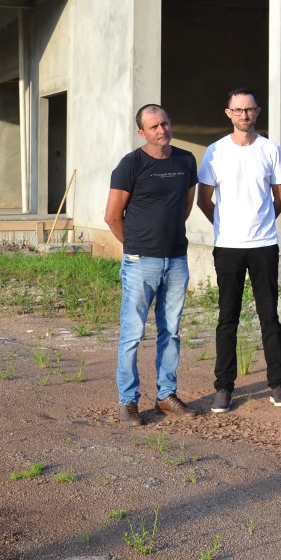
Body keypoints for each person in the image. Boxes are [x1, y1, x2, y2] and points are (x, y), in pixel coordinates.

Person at [196, 88, 281, 412]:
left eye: (249, 109)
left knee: (270, 317)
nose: (244, 115)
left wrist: (261, 222)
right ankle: (223, 388)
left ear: (257, 112)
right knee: (228, 318)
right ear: (228, 113)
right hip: (228, 247)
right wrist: (225, 226)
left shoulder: (270, 149)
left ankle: (277, 384)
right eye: (238, 110)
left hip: (264, 245)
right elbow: (203, 200)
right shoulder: (215, 152)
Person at [104, 104, 199, 425]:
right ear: (142, 132)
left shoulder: (186, 160)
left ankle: (166, 396)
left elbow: (185, 205)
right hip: (140, 262)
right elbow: (112, 216)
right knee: (132, 334)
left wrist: (168, 239)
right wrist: (135, 247)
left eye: (165, 123)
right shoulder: (130, 165)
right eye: (154, 126)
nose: (162, 130)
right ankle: (128, 402)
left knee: (171, 331)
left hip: (176, 260)